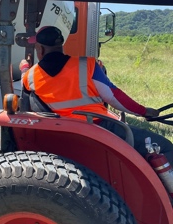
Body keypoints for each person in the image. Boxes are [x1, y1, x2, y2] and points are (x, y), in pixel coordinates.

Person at [20, 26, 172, 164]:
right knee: (165, 148)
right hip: (98, 127)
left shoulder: (30, 77)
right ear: (60, 45)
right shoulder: (87, 65)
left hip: (61, 132)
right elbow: (113, 96)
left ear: (39, 48)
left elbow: (25, 93)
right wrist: (143, 111)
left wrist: (24, 68)